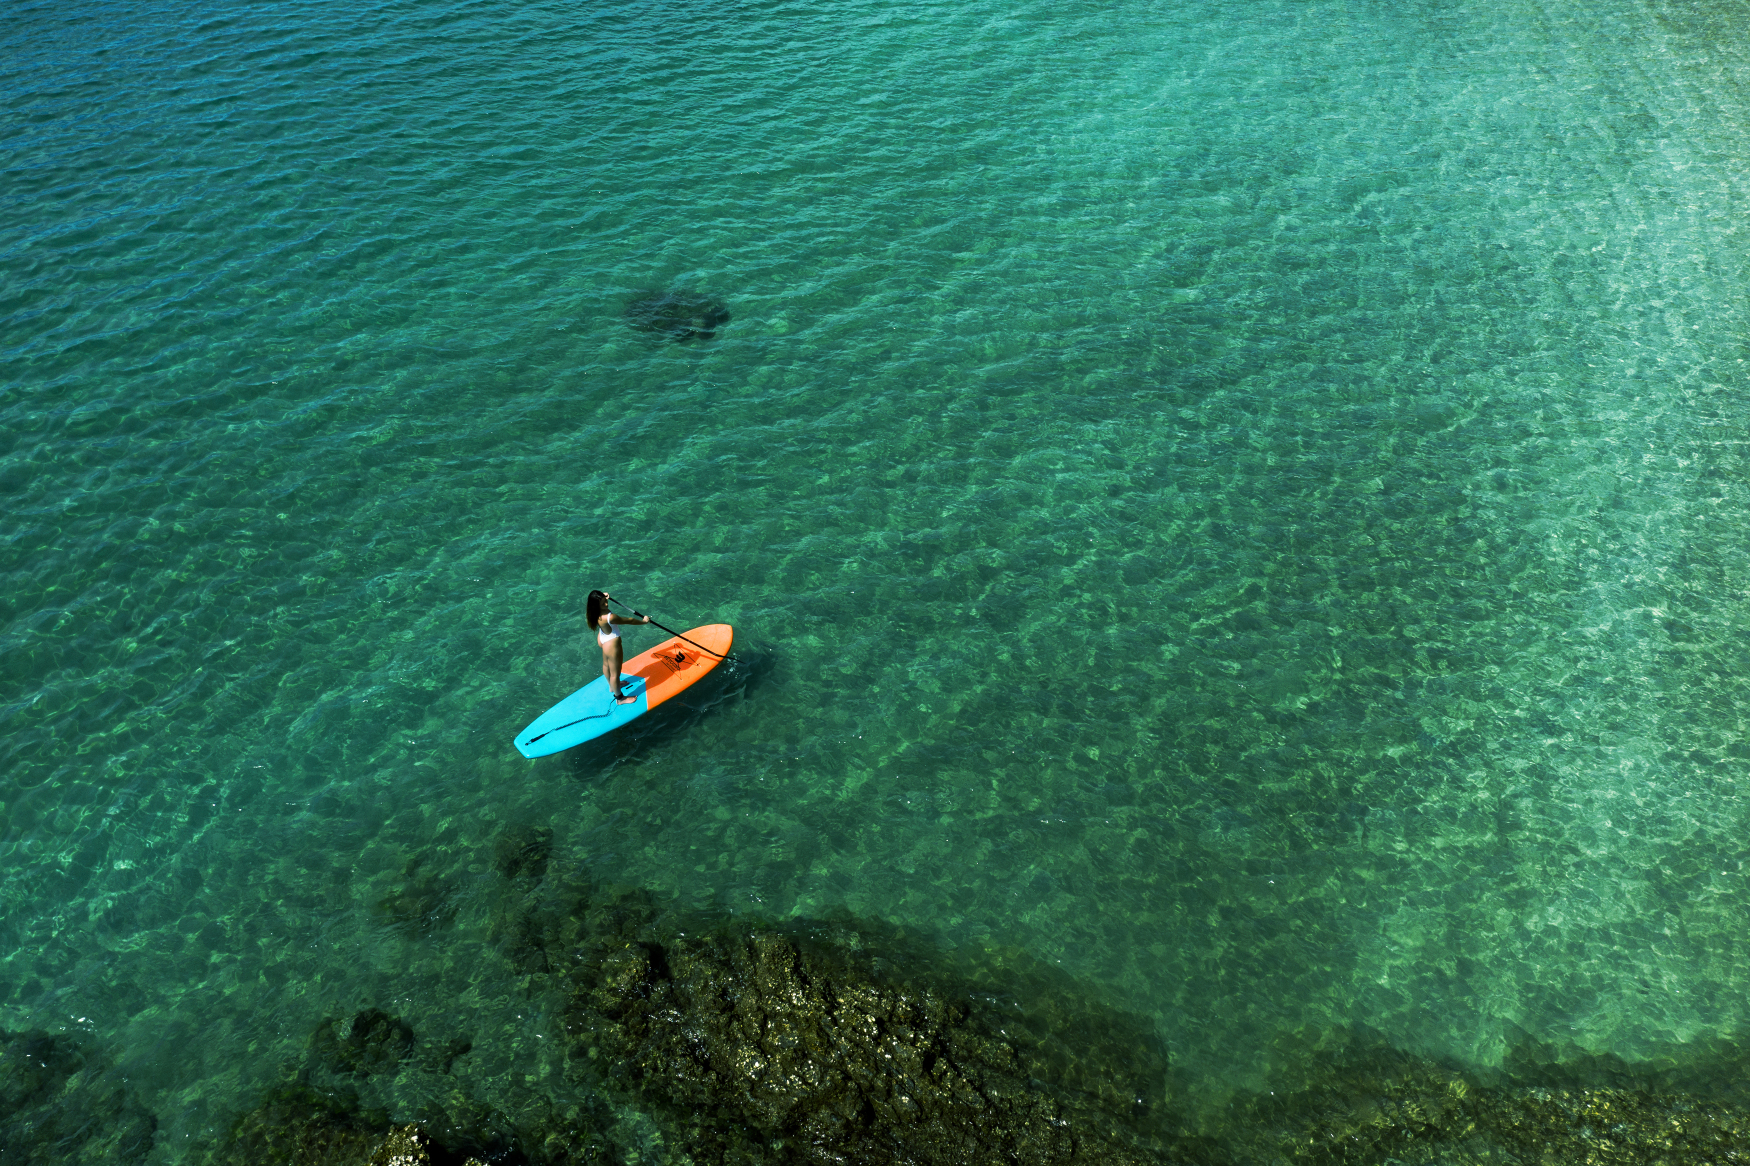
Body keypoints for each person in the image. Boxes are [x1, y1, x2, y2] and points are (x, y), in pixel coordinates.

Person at [587, 590, 651, 704]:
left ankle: (612, 686)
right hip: (612, 644)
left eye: (605, 601)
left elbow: (601, 603)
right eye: (603, 603)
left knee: (606, 665)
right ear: (597, 605)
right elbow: (630, 620)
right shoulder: (610, 617)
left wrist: (604, 597)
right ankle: (620, 698)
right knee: (615, 673)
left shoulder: (594, 612)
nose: (606, 604)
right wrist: (644, 621)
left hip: (603, 637)